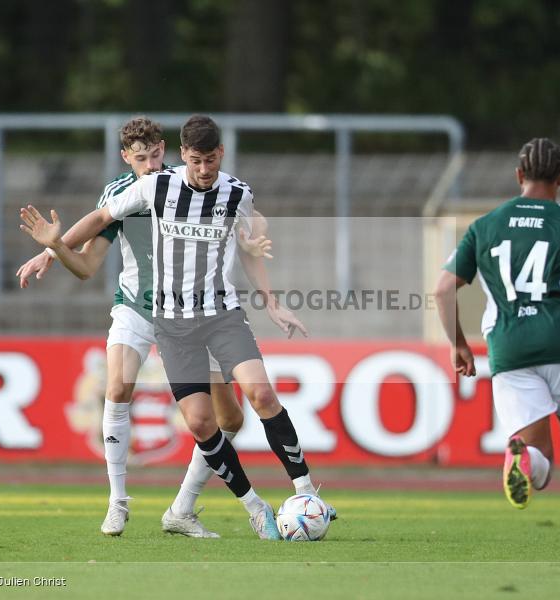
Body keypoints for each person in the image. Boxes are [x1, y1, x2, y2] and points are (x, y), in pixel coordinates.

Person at [20, 115, 333, 540]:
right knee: (157, 405)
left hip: (215, 314)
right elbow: (96, 231)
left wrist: (266, 280)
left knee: (243, 406)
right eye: (141, 158)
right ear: (178, 156)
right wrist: (54, 250)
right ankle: (140, 503)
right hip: (155, 314)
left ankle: (267, 495)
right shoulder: (144, 190)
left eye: (155, 156)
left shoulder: (223, 188)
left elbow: (251, 224)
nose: (202, 169)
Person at [435, 138, 560, 575]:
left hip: (509, 349)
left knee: (539, 464)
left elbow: (442, 288)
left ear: (518, 176)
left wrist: (458, 342)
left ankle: (523, 459)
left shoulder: (485, 226)